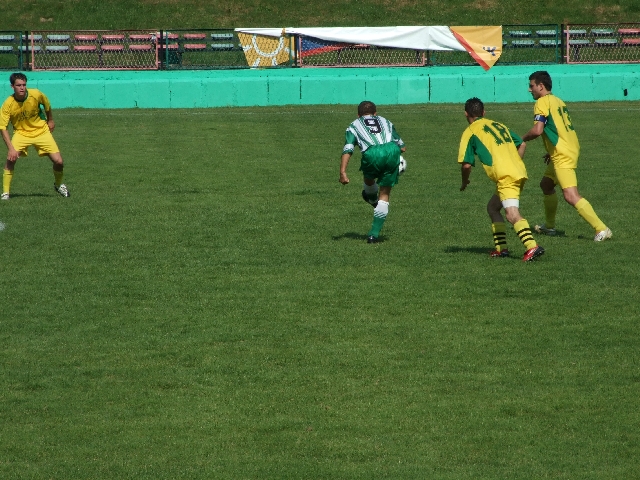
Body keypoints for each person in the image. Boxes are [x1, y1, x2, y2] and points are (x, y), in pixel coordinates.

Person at [521, 70, 610, 242]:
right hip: (566, 148)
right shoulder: (558, 101)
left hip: (562, 153)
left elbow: (537, 130)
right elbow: (558, 128)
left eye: (531, 86)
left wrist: (520, 139)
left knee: (570, 195)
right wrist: (551, 150)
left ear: (541, 86)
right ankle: (549, 226)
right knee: (546, 185)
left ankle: (601, 228)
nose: (529, 89)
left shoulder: (541, 102)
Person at [458, 97, 544, 262]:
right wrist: (514, 164)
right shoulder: (498, 125)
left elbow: (466, 165)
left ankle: (532, 246)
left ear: (466, 114)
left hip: (506, 177)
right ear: (484, 112)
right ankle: (501, 249)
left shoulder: (470, 132)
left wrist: (464, 182)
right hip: (518, 172)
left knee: (511, 214)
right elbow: (522, 144)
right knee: (493, 207)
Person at [339, 100, 406, 243]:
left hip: (371, 153)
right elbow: (402, 147)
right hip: (391, 151)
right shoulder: (385, 121)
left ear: (358, 115)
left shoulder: (354, 125)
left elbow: (348, 148)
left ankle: (372, 198)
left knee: (368, 179)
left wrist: (343, 172)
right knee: (385, 194)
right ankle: (373, 236)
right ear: (375, 113)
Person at [0, 72, 70, 200]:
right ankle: (5, 193)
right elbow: (3, 127)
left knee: (59, 161)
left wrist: (50, 120)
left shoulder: (36, 94)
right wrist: (11, 148)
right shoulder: (8, 104)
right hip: (21, 133)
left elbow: (47, 104)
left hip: (41, 131)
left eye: (24, 85)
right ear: (12, 87)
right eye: (18, 85)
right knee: (11, 159)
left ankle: (59, 185)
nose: (22, 88)